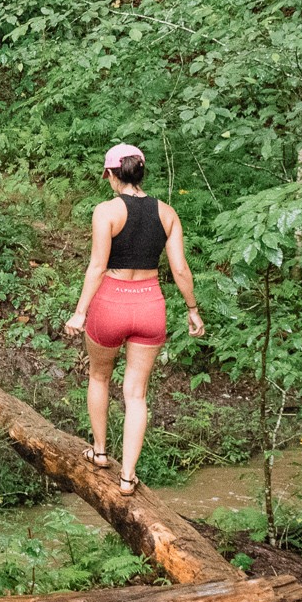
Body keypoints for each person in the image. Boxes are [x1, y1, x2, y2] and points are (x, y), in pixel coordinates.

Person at [62, 143, 203, 496]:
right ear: (141, 173)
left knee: (99, 376)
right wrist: (192, 310)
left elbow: (97, 266)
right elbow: (180, 269)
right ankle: (127, 477)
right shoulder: (167, 213)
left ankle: (100, 452)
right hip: (150, 306)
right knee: (136, 394)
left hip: (111, 304)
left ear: (111, 174)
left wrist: (80, 313)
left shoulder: (106, 211)